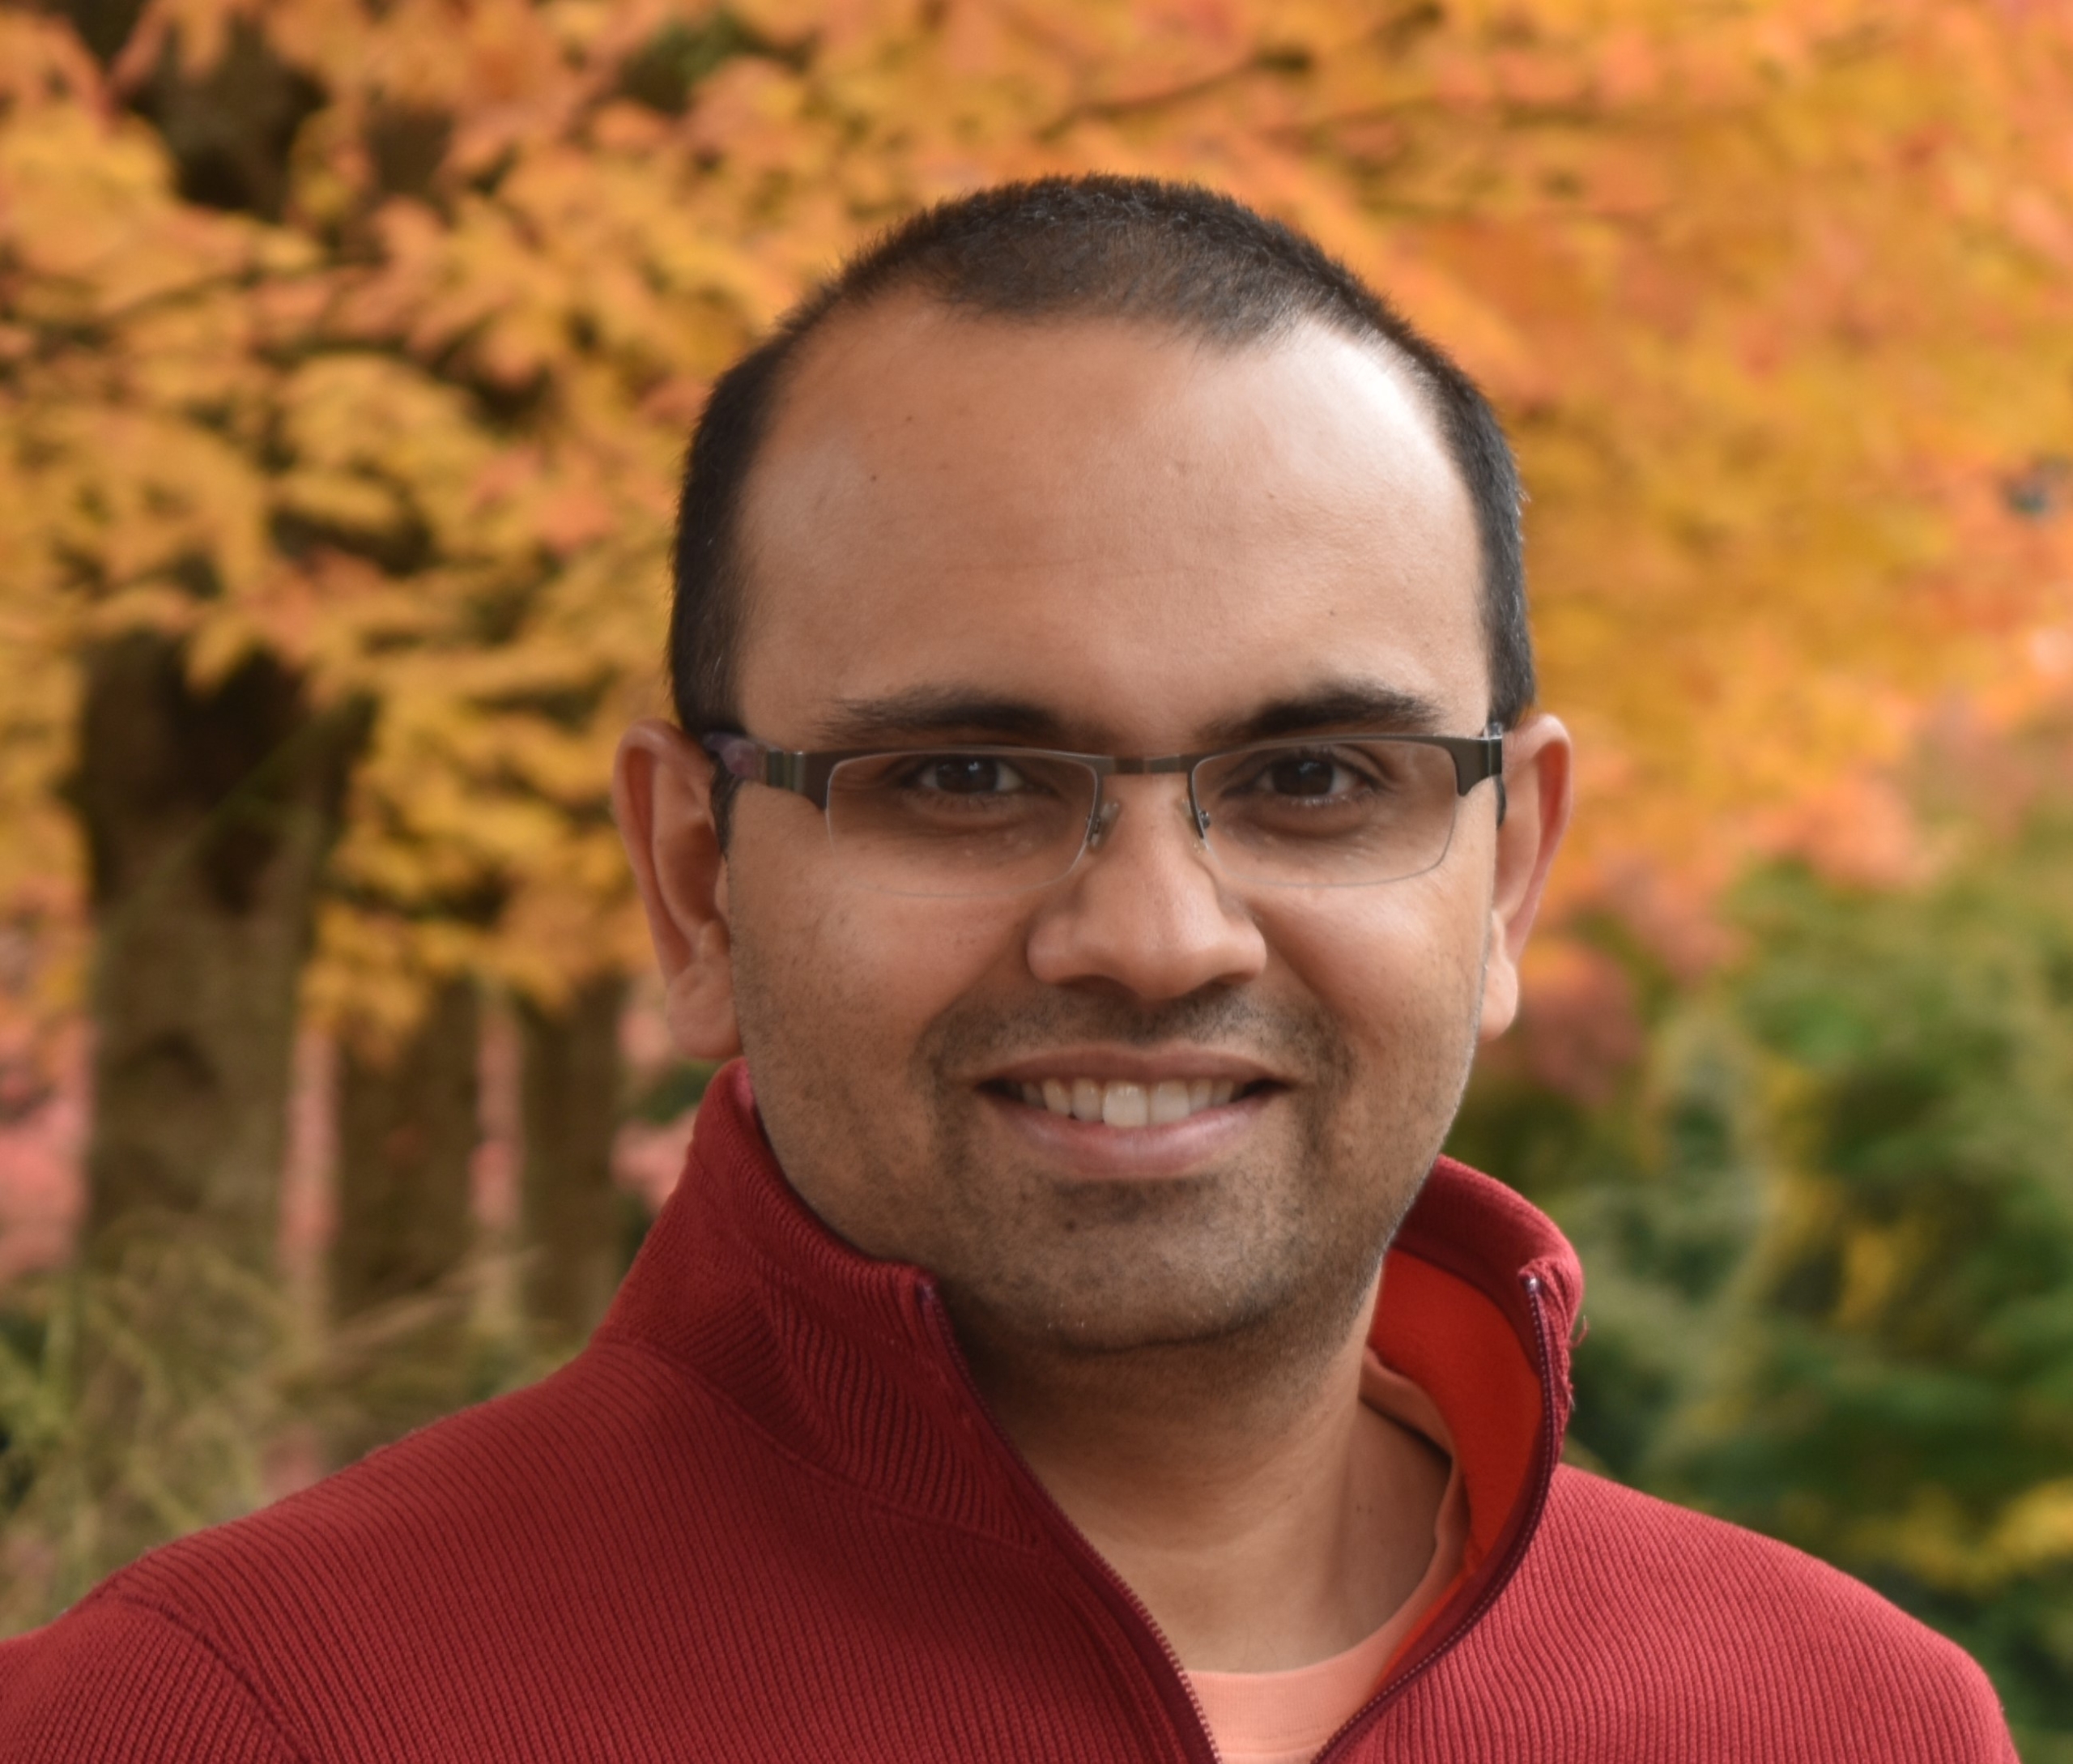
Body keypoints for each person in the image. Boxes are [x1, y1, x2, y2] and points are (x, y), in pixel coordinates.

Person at [0, 177, 2014, 1763]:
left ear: (1505, 874)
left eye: (1314, 774)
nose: (1149, 935)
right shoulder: (225, 1724)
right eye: (962, 776)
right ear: (693, 877)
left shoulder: (1843, 1724)